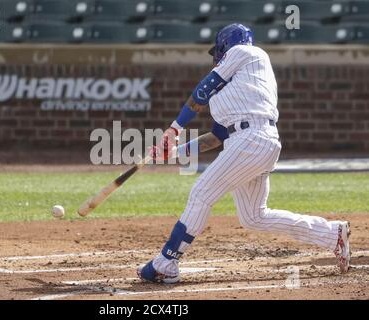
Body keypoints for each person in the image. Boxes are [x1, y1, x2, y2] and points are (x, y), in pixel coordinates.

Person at [138, 23, 351, 284]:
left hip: (252, 138)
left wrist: (174, 127)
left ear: (226, 45)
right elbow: (216, 137)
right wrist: (172, 154)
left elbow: (202, 90)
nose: (217, 57)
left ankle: (166, 263)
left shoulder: (247, 53)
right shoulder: (236, 85)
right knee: (254, 217)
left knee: (201, 193)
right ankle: (332, 234)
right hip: (250, 142)